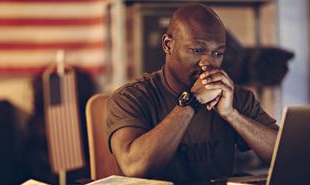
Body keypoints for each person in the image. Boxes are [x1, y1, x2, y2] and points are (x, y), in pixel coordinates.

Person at [106, 4, 278, 183]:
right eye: (197, 50)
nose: (208, 62)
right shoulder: (131, 97)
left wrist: (232, 115)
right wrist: (191, 102)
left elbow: (284, 155)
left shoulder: (233, 95)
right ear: (168, 45)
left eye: (218, 53)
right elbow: (134, 168)